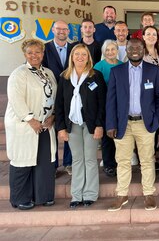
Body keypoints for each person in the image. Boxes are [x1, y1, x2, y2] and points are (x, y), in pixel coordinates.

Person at [106, 38, 159, 211]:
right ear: (127, 50)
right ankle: (121, 195)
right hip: (123, 124)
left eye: (139, 47)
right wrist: (110, 124)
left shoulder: (153, 70)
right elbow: (111, 101)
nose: (135, 50)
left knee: (147, 160)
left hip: (145, 124)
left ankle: (149, 194)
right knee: (122, 161)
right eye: (131, 48)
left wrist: (156, 120)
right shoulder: (117, 71)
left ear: (143, 49)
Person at [5, 39, 57, 210]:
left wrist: (53, 116)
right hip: (25, 125)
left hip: (45, 124)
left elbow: (54, 97)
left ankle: (43, 196)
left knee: (44, 161)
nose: (34, 55)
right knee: (23, 161)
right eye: (30, 52)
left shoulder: (48, 73)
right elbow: (16, 99)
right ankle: (20, 198)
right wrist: (30, 119)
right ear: (25, 54)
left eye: (37, 52)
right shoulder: (19, 73)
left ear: (43, 53)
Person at [55, 44, 106, 208]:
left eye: (84, 54)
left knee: (90, 159)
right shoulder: (64, 77)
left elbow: (101, 103)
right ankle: (76, 195)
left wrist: (99, 125)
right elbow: (59, 104)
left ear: (88, 57)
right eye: (77, 54)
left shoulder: (95, 76)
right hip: (73, 124)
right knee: (77, 160)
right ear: (72, 57)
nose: (80, 57)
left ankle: (90, 194)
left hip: (90, 124)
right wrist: (61, 127)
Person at [42, 20, 73, 175]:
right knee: (51, 131)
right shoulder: (44, 48)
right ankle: (52, 165)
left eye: (65, 29)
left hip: (70, 95)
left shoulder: (74, 48)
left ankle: (69, 162)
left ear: (69, 32)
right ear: (53, 30)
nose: (62, 31)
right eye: (58, 29)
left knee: (69, 128)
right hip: (49, 95)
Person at [94, 40, 123, 177]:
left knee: (121, 136)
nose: (110, 52)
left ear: (117, 50)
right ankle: (109, 164)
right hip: (105, 105)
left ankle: (121, 162)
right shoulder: (98, 66)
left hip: (121, 106)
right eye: (107, 50)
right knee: (107, 137)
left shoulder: (123, 65)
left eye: (113, 49)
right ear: (103, 52)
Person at [142, 25, 159, 170]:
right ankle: (148, 160)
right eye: (148, 34)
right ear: (143, 37)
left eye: (154, 34)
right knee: (148, 127)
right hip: (147, 96)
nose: (151, 36)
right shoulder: (140, 53)